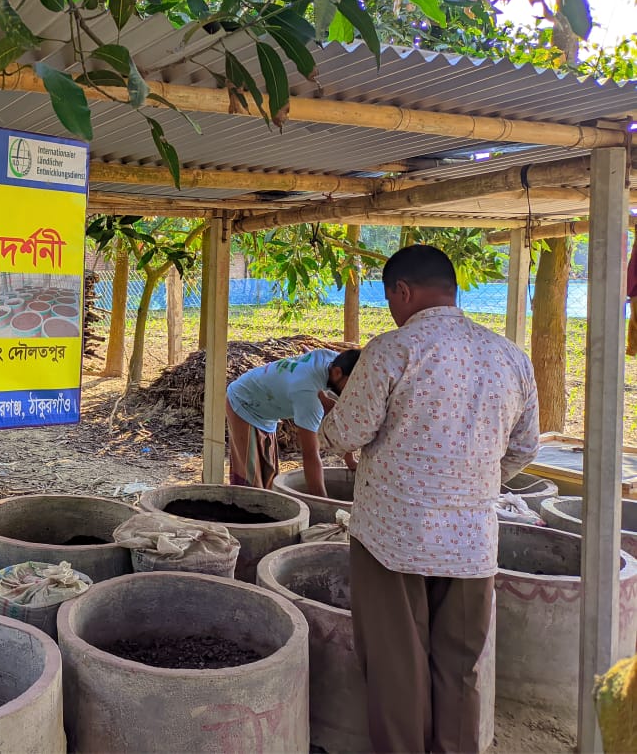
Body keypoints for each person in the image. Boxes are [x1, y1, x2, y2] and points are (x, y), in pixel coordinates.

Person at [318, 245, 539, 754]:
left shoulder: (394, 350)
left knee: (399, 664)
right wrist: (473, 482)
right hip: (472, 544)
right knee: (460, 667)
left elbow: (348, 433)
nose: (393, 309)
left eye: (391, 298)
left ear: (403, 291)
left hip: (394, 537)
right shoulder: (510, 356)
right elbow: (525, 447)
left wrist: (329, 419)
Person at [225, 347, 361, 496]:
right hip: (244, 402)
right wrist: (323, 504)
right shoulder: (307, 396)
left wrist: (350, 460)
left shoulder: (331, 359)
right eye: (352, 384)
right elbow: (310, 455)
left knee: (268, 478)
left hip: (265, 404)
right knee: (250, 485)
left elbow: (340, 416)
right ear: (337, 373)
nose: (354, 390)